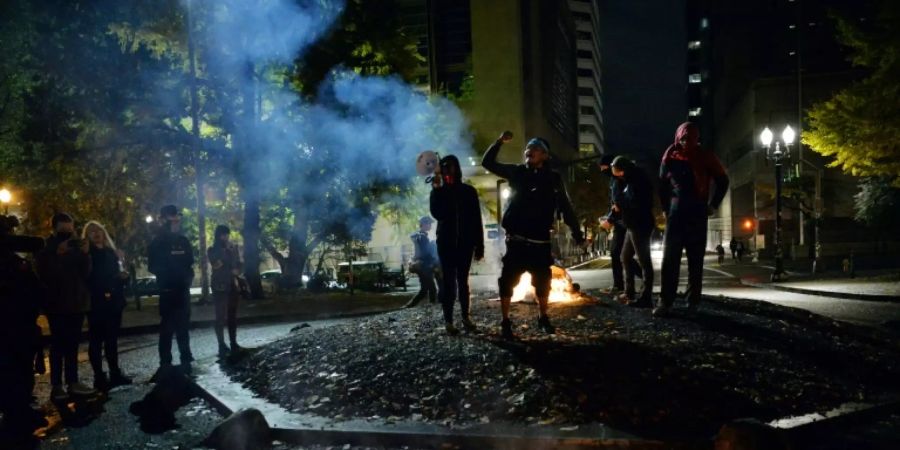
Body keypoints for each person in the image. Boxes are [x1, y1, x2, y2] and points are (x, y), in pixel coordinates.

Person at [483, 131, 584, 339]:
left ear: (545, 155)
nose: (530, 150)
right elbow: (488, 163)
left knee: (542, 282)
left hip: (540, 242)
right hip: (517, 240)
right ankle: (505, 321)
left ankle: (543, 317)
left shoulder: (553, 178)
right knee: (507, 281)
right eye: (528, 148)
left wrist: (577, 232)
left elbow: (565, 207)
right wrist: (499, 142)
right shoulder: (518, 172)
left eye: (536, 148)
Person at [657, 122, 729, 317]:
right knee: (669, 259)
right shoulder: (669, 156)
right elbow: (662, 185)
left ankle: (692, 303)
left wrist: (713, 205)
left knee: (695, 260)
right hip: (676, 212)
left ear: (697, 139)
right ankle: (666, 301)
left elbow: (723, 181)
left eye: (691, 139)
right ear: (678, 138)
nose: (686, 142)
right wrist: (665, 209)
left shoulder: (706, 156)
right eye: (683, 139)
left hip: (697, 212)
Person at [36, 213, 96, 400]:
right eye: (63, 230)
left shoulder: (75, 246)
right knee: (58, 345)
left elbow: (86, 273)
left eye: (70, 230)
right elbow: (44, 275)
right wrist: (57, 255)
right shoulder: (45, 247)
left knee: (72, 345)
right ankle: (56, 385)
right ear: (54, 228)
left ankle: (73, 382)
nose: (67, 235)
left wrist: (86, 255)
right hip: (56, 304)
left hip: (77, 303)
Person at [0, 215, 48, 440]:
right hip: (12, 328)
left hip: (21, 326)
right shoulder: (12, 263)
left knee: (20, 372)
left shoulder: (15, 261)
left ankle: (19, 411)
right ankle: (15, 415)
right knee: (14, 373)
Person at [430, 155, 485, 335]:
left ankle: (465, 317)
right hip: (446, 243)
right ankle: (449, 320)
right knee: (448, 282)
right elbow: (437, 214)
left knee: (463, 282)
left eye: (451, 166)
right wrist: (437, 190)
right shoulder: (439, 190)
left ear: (457, 168)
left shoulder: (468, 191)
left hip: (465, 243)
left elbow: (476, 219)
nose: (448, 169)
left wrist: (480, 245)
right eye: (444, 166)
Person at [82, 221, 132, 390]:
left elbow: (119, 273)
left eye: (99, 230)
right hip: (97, 302)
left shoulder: (111, 253)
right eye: (91, 231)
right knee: (96, 340)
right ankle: (99, 376)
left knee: (111, 339)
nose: (96, 233)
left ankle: (115, 372)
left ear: (104, 233)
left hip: (114, 301)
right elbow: (89, 278)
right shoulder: (88, 255)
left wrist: (124, 277)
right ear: (87, 236)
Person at [148, 205, 195, 374]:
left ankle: (186, 358)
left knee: (183, 326)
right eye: (171, 217)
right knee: (167, 328)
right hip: (168, 290)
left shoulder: (183, 240)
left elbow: (190, 262)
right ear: (163, 219)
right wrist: (169, 273)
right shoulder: (158, 242)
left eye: (176, 216)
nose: (175, 220)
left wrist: (188, 278)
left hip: (182, 290)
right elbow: (152, 266)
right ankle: (165, 362)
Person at [610, 156, 655, 308]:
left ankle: (646, 297)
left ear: (621, 169)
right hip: (632, 224)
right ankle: (629, 292)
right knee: (625, 256)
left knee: (644, 261)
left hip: (640, 223)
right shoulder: (629, 178)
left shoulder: (637, 179)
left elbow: (635, 202)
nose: (613, 171)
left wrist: (619, 204)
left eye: (614, 168)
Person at [207, 225, 243, 357]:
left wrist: (238, 270)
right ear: (218, 236)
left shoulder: (233, 249)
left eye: (227, 234)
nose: (226, 237)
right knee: (220, 316)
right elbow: (216, 264)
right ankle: (221, 344)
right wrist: (225, 252)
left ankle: (233, 342)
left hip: (232, 283)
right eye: (223, 235)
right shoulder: (212, 250)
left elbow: (238, 263)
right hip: (219, 285)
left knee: (232, 315)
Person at [598, 154, 627, 295]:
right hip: (620, 222)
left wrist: (609, 220)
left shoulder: (618, 180)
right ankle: (619, 284)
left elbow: (619, 204)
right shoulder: (614, 180)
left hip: (624, 223)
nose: (601, 170)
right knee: (619, 254)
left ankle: (621, 285)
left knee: (619, 254)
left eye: (603, 167)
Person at [405, 216, 440, 308]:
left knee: (424, 289)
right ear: (424, 224)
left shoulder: (418, 235)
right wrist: (433, 262)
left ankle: (409, 305)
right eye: (429, 223)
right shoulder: (423, 237)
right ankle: (433, 305)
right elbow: (425, 253)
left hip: (420, 265)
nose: (431, 225)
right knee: (432, 288)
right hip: (424, 266)